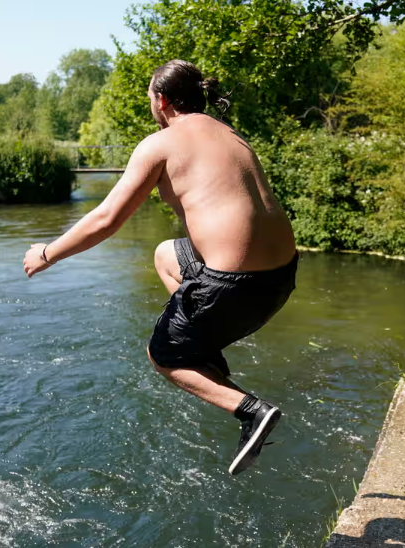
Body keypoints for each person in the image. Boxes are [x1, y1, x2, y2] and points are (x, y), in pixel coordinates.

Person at [22, 60, 297, 476]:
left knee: (163, 353)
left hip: (235, 286)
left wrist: (47, 254)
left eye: (151, 97)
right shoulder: (232, 135)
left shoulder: (161, 143)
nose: (151, 105)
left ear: (163, 100)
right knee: (166, 254)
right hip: (282, 278)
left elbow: (106, 219)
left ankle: (252, 411)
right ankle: (204, 348)